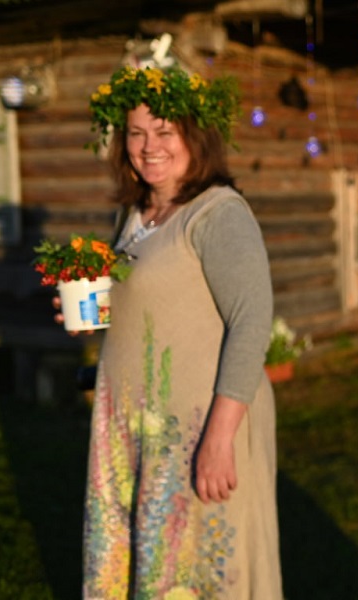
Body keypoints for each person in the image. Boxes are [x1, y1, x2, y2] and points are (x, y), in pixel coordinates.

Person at [76, 65, 282, 598]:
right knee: (155, 565)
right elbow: (148, 304)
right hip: (139, 428)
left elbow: (252, 320)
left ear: (196, 137)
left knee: (201, 569)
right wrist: (90, 311)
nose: (149, 147)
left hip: (199, 426)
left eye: (164, 132)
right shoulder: (137, 213)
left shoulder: (217, 214)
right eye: (137, 133)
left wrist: (218, 437)